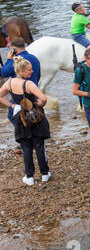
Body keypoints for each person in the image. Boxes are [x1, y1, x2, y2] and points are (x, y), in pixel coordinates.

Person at [0, 56, 51, 185]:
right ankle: (45, 174)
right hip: (34, 116)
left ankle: (29, 177)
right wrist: (40, 104)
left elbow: (0, 96)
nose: (32, 72)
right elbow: (43, 98)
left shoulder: (9, 83)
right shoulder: (28, 84)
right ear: (21, 71)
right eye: (29, 70)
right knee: (39, 145)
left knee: (26, 147)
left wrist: (11, 105)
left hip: (19, 116)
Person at [1, 37, 41, 125]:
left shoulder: (17, 61)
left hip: (19, 95)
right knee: (36, 114)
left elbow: (4, 73)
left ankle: (23, 132)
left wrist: (8, 59)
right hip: (34, 92)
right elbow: (38, 75)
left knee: (12, 116)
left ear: (14, 49)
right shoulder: (34, 58)